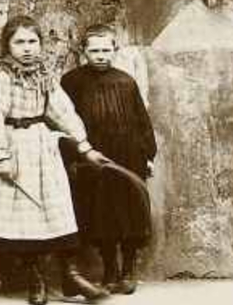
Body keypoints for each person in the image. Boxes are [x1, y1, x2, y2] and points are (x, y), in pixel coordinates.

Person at [0, 15, 110, 305]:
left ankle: (71, 275)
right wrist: (1, 155)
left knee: (58, 210)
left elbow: (63, 112)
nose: (27, 48)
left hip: (41, 147)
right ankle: (36, 279)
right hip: (12, 146)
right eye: (19, 42)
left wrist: (84, 146)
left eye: (32, 41)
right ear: (7, 45)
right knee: (25, 217)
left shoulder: (44, 76)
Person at [60, 24, 158, 295]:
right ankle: (109, 269)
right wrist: (73, 157)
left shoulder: (126, 81)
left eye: (106, 50)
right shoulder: (71, 82)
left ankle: (128, 269)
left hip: (128, 157)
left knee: (130, 213)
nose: (100, 55)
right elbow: (63, 121)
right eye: (94, 50)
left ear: (115, 50)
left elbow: (142, 121)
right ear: (83, 52)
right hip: (94, 158)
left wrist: (147, 154)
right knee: (101, 215)